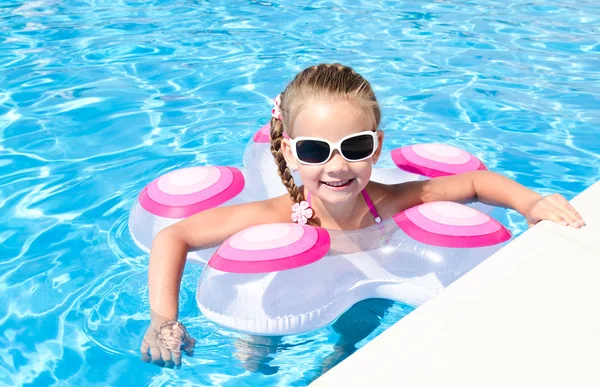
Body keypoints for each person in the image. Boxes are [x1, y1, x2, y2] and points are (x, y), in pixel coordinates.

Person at [140, 63, 585, 369]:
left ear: (376, 145)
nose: (337, 166)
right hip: (280, 298)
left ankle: (341, 355)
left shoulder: (388, 201)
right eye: (315, 150)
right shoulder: (277, 216)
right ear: (289, 152)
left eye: (354, 147)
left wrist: (531, 203)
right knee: (254, 358)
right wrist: (164, 319)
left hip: (366, 286)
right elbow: (173, 237)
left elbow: (474, 183)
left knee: (358, 332)